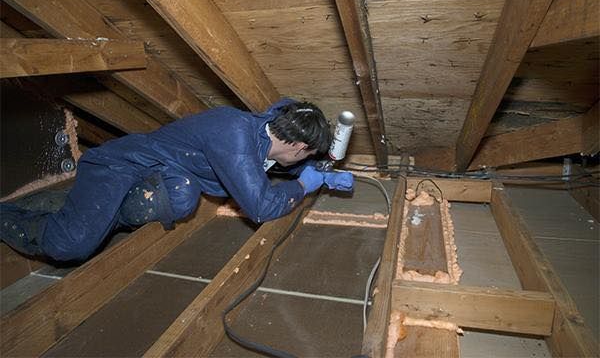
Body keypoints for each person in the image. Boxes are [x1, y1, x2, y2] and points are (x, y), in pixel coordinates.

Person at [0, 99, 353, 262]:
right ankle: (9, 217)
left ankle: (84, 212)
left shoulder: (271, 128)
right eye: (307, 153)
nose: (304, 161)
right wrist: (304, 186)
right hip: (120, 165)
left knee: (183, 198)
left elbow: (282, 157)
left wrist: (318, 169)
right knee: (71, 245)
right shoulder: (234, 137)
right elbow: (260, 207)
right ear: (296, 144)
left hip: (161, 171)